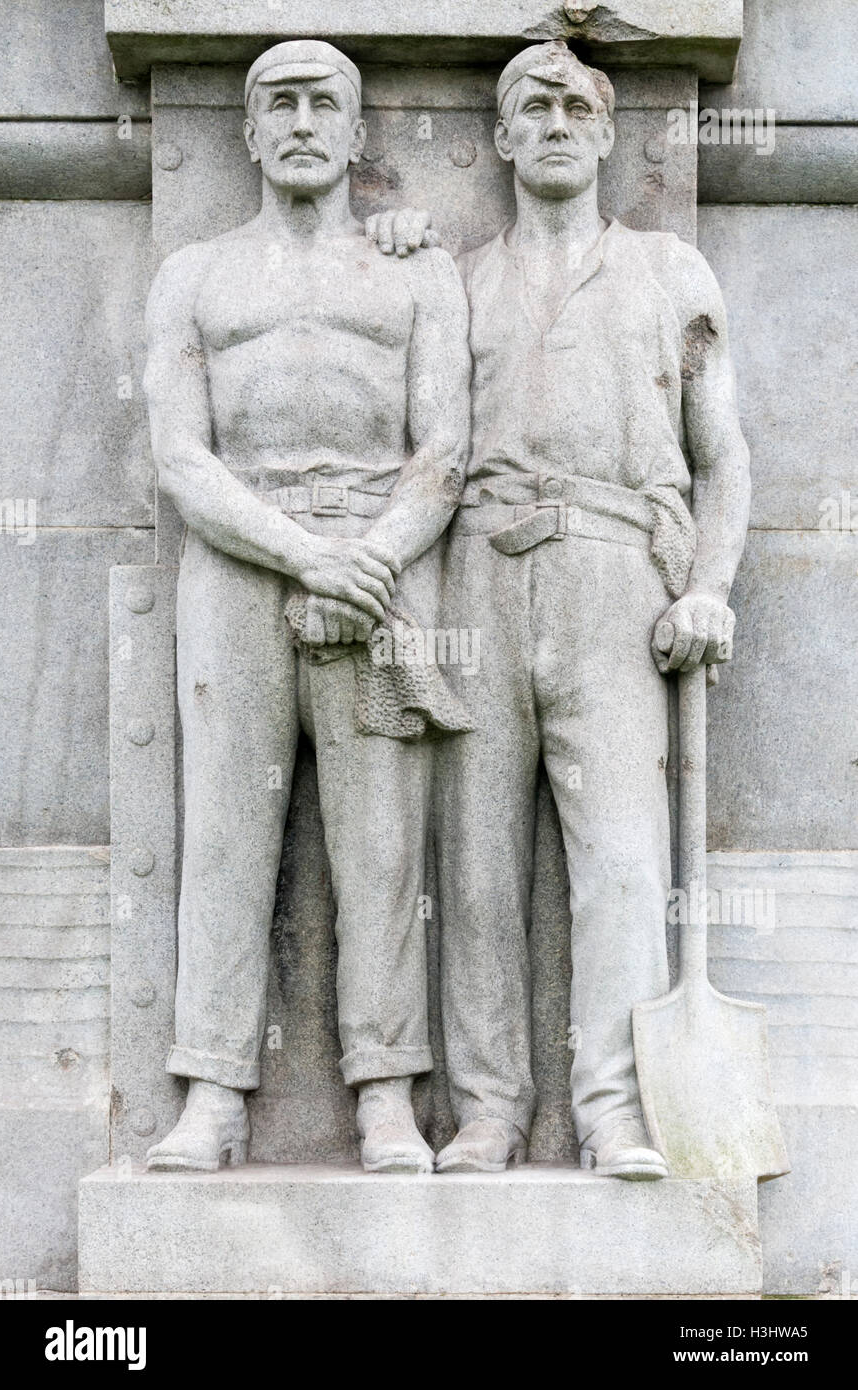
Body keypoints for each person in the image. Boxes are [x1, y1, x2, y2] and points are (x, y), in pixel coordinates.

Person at [371, 40, 750, 1178]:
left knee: (623, 859)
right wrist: (386, 237)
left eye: (574, 104)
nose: (551, 121)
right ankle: (486, 1107)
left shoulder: (668, 270)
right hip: (482, 566)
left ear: (604, 132)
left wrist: (707, 589)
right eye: (527, 106)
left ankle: (613, 1110)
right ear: (498, 138)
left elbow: (721, 458)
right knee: (476, 858)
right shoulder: (454, 277)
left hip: (614, 575)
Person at [142, 40, 470, 1174]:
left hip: (382, 559)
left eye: (320, 101)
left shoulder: (415, 269)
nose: (296, 119)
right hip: (238, 557)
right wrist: (301, 555)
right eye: (273, 101)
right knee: (225, 829)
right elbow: (181, 457)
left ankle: (385, 1090)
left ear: (354, 130)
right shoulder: (194, 272)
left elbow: (445, 448)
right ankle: (214, 1091)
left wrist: (365, 555)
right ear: (245, 131)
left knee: (380, 843)